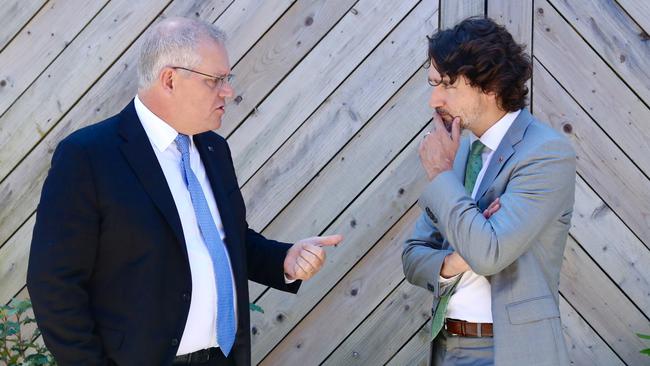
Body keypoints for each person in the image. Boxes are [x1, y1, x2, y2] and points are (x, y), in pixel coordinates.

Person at [27, 17, 342, 366]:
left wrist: (283, 260)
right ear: (170, 80)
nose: (228, 91)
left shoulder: (212, 149)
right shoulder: (88, 156)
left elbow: (227, 240)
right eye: (215, 80)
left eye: (227, 79)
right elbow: (54, 285)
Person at [402, 17, 575, 366]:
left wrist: (440, 175)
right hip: (446, 347)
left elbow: (489, 253)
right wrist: (456, 260)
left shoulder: (546, 152)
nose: (434, 100)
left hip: (509, 352)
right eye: (433, 84)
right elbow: (413, 257)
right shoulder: (462, 151)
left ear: (490, 85)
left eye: (448, 84)